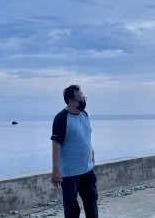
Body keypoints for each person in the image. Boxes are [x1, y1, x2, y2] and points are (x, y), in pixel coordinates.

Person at [51, 85, 98, 218]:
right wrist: (55, 170)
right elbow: (56, 144)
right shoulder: (61, 118)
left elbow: (85, 135)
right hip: (70, 174)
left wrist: (92, 151)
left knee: (92, 204)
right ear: (71, 101)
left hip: (87, 170)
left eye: (84, 98)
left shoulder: (84, 114)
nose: (83, 101)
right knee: (71, 209)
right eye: (81, 99)